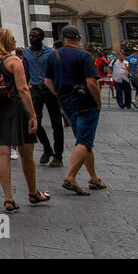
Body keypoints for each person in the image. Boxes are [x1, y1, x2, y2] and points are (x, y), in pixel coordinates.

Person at [0, 28, 47, 212]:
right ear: (4, 41)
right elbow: (24, 89)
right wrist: (33, 115)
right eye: (11, 39)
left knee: (3, 152)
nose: (14, 41)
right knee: (26, 152)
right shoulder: (13, 61)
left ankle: (8, 198)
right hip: (16, 107)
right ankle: (33, 193)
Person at [44, 25, 106, 195]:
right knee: (84, 141)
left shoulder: (52, 56)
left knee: (83, 140)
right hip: (85, 103)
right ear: (78, 38)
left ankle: (94, 178)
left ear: (63, 38)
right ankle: (70, 177)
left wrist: (61, 95)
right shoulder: (83, 55)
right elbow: (92, 83)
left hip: (67, 104)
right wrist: (98, 102)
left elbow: (48, 82)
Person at [21, 28, 64, 168]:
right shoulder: (26, 52)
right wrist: (24, 89)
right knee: (35, 121)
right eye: (30, 36)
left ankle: (58, 155)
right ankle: (47, 148)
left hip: (50, 90)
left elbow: (57, 73)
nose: (32, 38)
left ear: (41, 38)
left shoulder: (51, 53)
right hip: (35, 89)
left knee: (56, 123)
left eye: (35, 36)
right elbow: (25, 71)